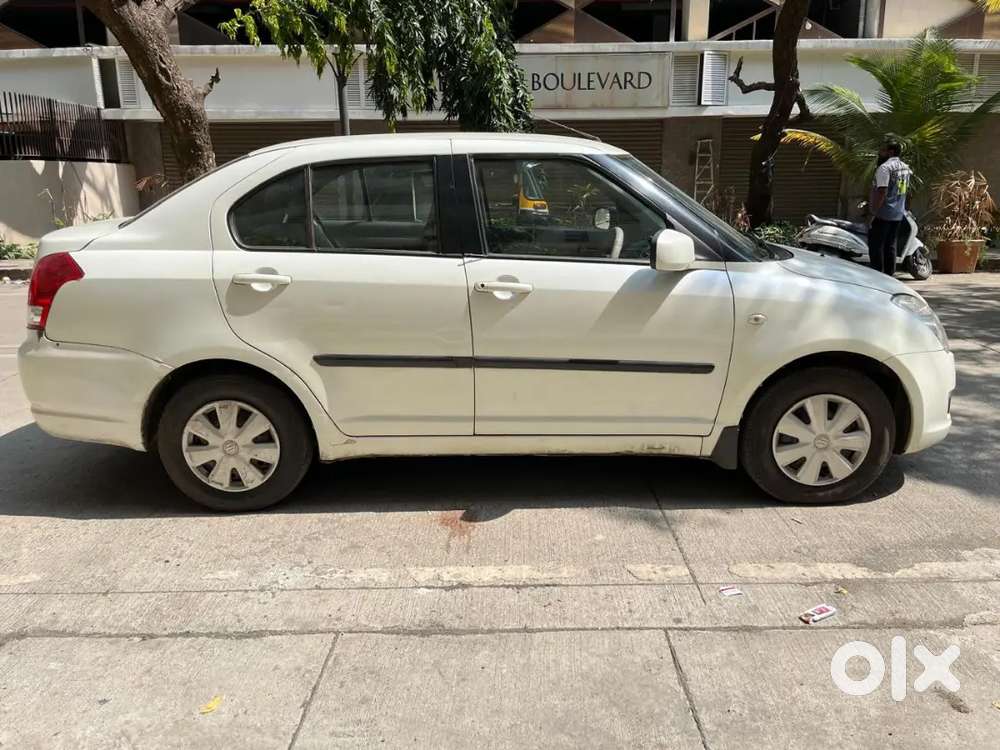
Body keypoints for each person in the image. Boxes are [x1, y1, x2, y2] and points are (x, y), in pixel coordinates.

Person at [867, 140, 912, 276]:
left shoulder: (885, 168)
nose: (880, 153)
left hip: (883, 213)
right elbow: (906, 191)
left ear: (890, 152)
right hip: (898, 213)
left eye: (883, 150)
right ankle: (889, 274)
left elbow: (882, 191)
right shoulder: (905, 168)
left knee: (876, 245)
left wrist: (873, 212)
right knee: (890, 245)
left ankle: (877, 275)